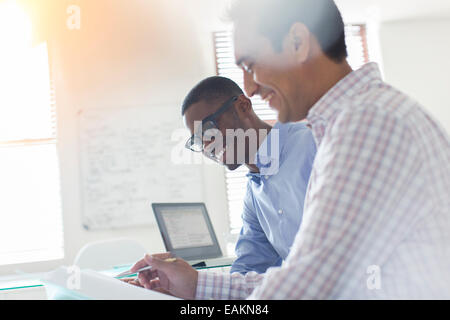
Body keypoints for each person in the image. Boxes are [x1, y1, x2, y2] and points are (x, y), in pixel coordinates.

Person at [131, 0, 450, 299]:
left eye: (251, 64)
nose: (251, 87)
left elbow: (307, 285)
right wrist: (197, 285)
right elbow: (295, 276)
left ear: (298, 42)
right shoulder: (348, 122)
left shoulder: (368, 121)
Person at [182, 76, 316, 274]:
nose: (208, 145)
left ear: (243, 106)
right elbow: (250, 268)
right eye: (198, 140)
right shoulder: (255, 194)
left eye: (209, 128)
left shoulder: (313, 145)